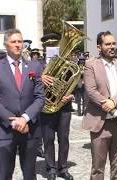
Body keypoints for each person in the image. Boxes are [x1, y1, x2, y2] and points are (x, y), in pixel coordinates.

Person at [0, 28, 45, 180]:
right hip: (5, 131)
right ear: (6, 44)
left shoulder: (34, 66)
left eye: (20, 41)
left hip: (30, 130)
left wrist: (25, 118)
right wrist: (14, 121)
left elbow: (40, 97)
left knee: (30, 175)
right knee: (5, 174)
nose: (18, 45)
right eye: (14, 42)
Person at [82, 31, 117, 180]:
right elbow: (91, 91)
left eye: (114, 43)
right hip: (99, 123)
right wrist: (113, 110)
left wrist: (114, 102)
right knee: (98, 167)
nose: (112, 47)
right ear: (99, 46)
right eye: (108, 44)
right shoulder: (91, 66)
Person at [39, 33, 75, 180]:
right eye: (49, 45)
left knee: (64, 138)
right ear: (44, 47)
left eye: (55, 44)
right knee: (47, 139)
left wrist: (71, 94)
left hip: (64, 107)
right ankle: (51, 168)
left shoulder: (67, 63)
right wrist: (39, 78)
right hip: (45, 108)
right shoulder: (37, 65)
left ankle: (63, 167)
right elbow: (28, 85)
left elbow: (76, 82)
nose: (52, 47)